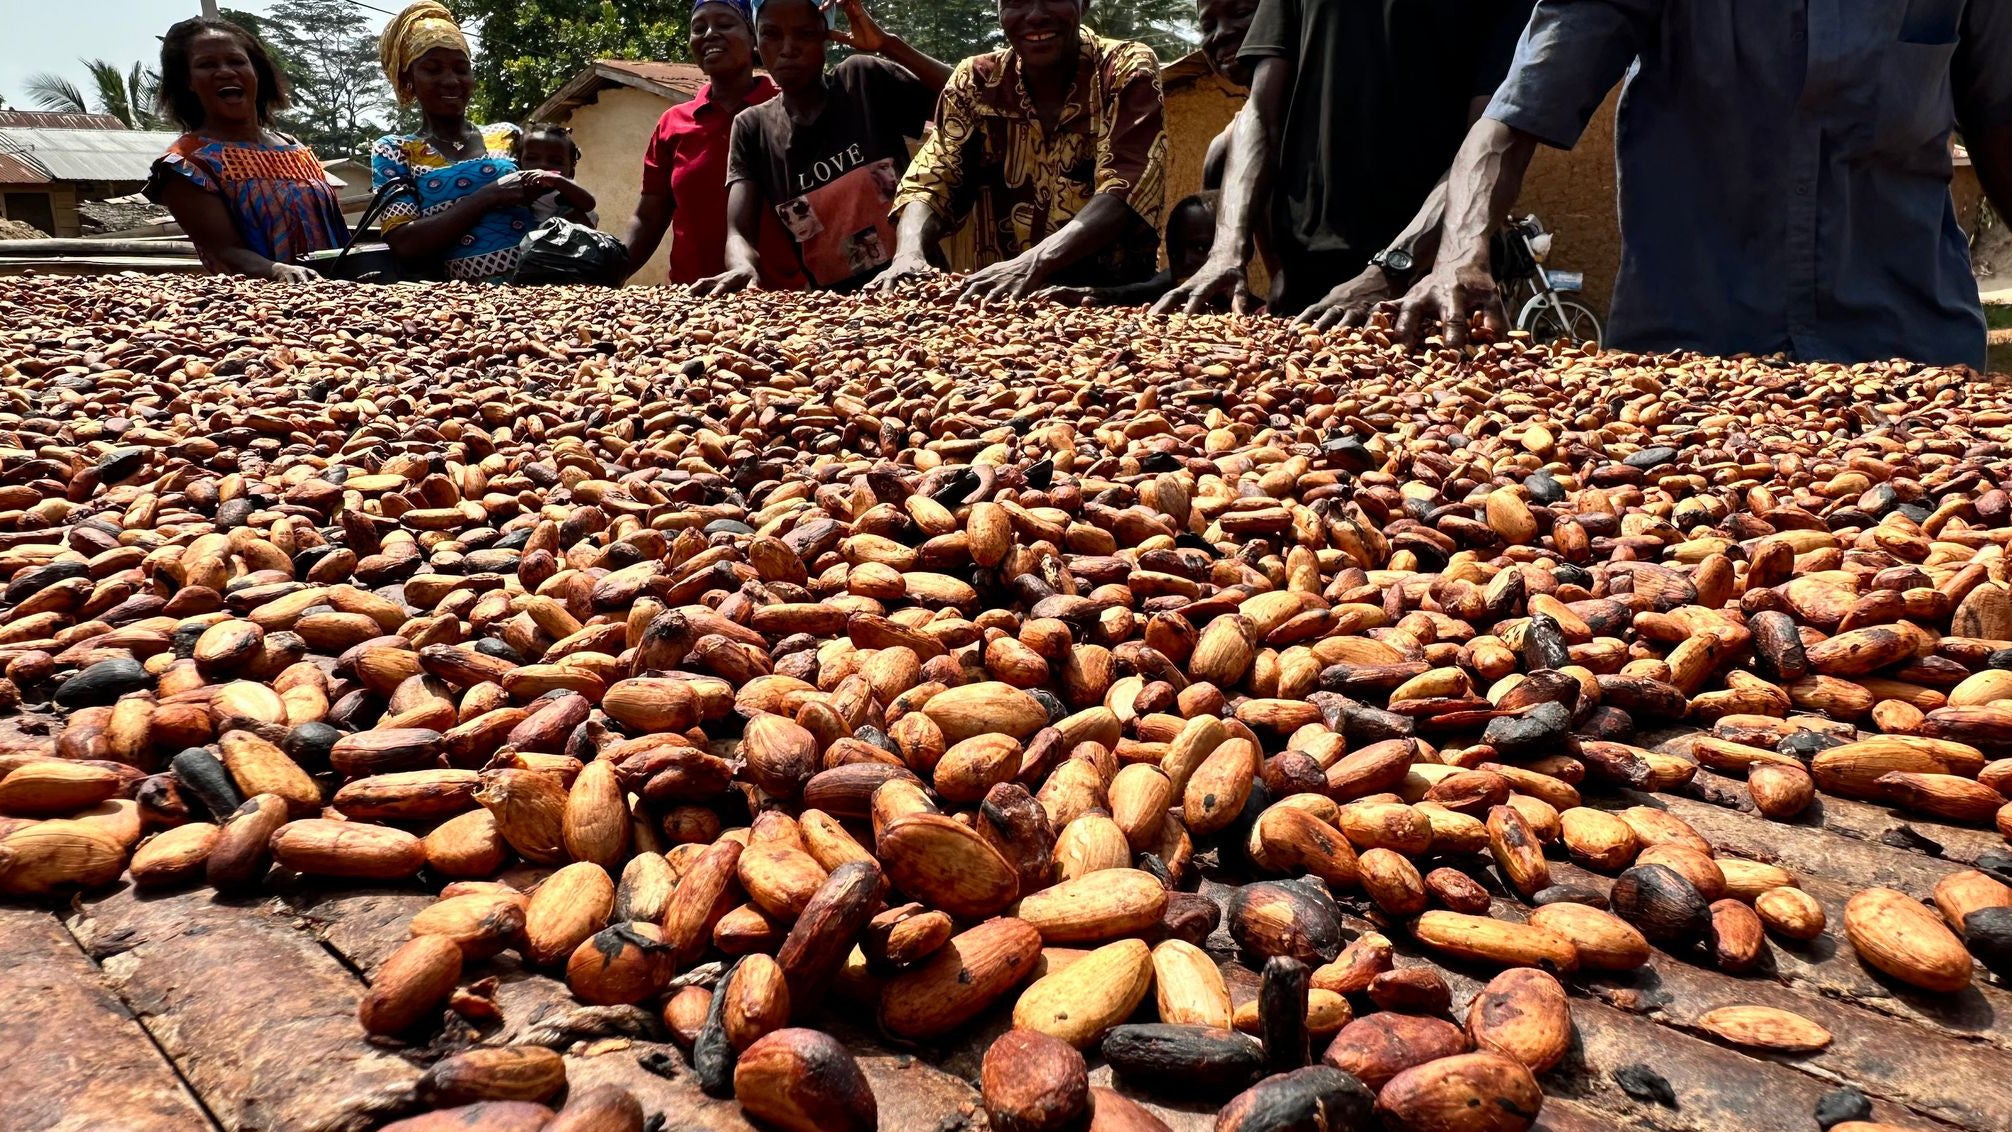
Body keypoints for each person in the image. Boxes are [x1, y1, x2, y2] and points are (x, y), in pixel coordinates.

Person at [1389, 2, 2012, 367]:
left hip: (1912, 358)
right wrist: (1460, 253)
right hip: (1691, 362)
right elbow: (1515, 113)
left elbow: (2002, 126)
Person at [1157, 0, 1534, 323]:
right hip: (1303, 292)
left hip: (1427, 289)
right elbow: (1260, 116)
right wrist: (1227, 249)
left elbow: (1491, 140)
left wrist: (1392, 268)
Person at [872, 0, 1171, 303]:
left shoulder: (1123, 68)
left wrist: (1029, 265)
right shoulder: (975, 82)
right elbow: (931, 178)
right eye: (1016, 2)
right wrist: (908, 252)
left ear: (1083, 4)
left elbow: (1126, 188)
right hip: (996, 304)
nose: (1036, 15)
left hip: (1110, 303)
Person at [694, 0, 950, 295]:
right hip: (835, 315)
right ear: (757, 38)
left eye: (804, 34)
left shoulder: (863, 81)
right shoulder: (753, 128)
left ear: (825, 36)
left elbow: (972, 97)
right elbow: (739, 232)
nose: (787, 48)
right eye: (772, 34)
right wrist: (742, 266)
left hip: (918, 289)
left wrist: (887, 45)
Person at [144, 18, 346, 283]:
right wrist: (278, 270)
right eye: (207, 65)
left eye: (236, 61)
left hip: (344, 296)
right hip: (263, 311)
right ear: (188, 82)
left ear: (256, 73)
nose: (225, 71)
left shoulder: (293, 148)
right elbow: (224, 252)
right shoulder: (187, 163)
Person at [372, 1, 563, 281]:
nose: (451, 80)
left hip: (545, 290)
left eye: (461, 68)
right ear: (408, 77)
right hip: (460, 310)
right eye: (433, 69)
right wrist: (488, 196)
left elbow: (556, 201)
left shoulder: (508, 135)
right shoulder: (395, 151)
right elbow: (405, 244)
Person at [622, 0, 808, 288]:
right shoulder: (673, 123)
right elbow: (648, 219)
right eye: (699, 28)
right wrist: (606, 276)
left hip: (784, 302)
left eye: (724, 24)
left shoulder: (790, 108)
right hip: (693, 300)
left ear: (754, 39)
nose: (709, 34)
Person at [1041, 191, 1218, 306]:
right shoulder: (1169, 286)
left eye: (1201, 248)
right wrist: (1093, 295)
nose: (1185, 260)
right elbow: (1143, 289)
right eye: (1176, 250)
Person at [1195, 0, 1260, 190]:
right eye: (1208, 27)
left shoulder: (1326, 109)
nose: (1220, 33)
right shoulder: (1224, 150)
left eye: (1241, 13)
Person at [518, 124, 600, 227]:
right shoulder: (516, 188)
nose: (543, 165)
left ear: (571, 169)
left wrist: (557, 181)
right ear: (519, 162)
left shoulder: (566, 188)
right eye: (532, 158)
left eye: (556, 162)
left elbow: (589, 204)